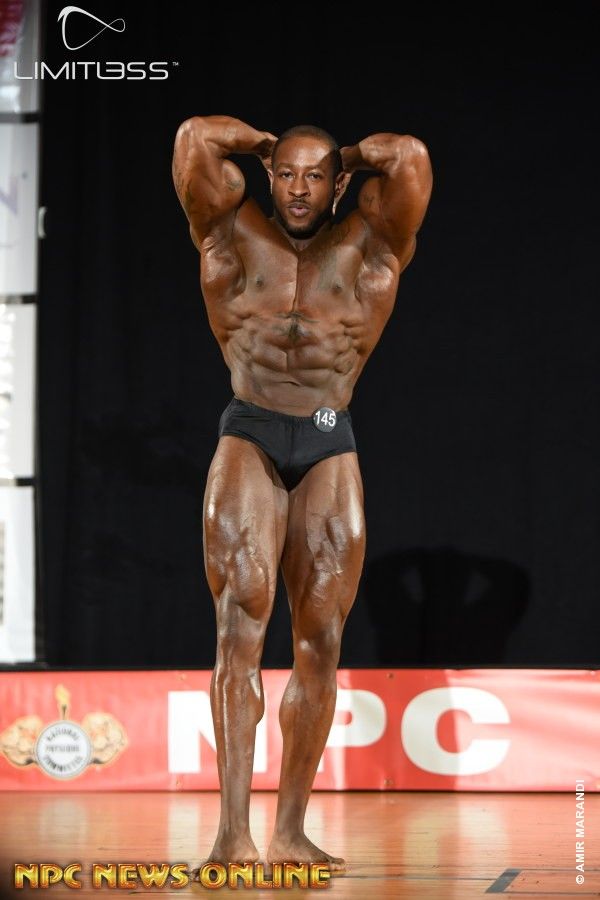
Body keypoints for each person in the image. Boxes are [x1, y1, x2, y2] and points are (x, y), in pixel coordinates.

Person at [172, 115, 432, 873]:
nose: (298, 188)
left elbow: (410, 156)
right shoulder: (228, 233)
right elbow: (193, 138)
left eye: (315, 177)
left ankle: (289, 831)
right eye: (286, 174)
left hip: (328, 434)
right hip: (250, 430)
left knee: (320, 638)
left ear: (339, 184)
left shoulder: (373, 245)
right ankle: (231, 835)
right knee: (239, 622)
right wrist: (266, 146)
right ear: (268, 175)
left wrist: (340, 156)